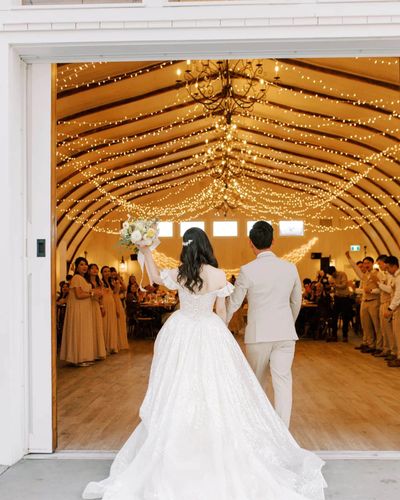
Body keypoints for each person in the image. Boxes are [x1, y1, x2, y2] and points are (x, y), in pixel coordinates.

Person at [82, 227, 325, 500]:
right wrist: (220, 336)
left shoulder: (180, 273)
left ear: (185, 247)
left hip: (182, 331)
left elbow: (154, 277)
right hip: (210, 329)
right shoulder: (218, 275)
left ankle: (180, 442)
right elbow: (221, 311)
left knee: (180, 386)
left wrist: (146, 250)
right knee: (216, 388)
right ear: (207, 246)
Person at [226, 220, 302, 428]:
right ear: (273, 241)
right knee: (283, 383)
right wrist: (289, 322)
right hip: (285, 333)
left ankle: (257, 428)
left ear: (250, 243)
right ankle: (283, 431)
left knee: (256, 383)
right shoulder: (290, 268)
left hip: (258, 334)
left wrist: (221, 324)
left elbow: (235, 303)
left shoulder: (247, 270)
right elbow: (296, 301)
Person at [60, 257, 101, 367]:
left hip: (85, 308)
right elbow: (79, 295)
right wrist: (92, 293)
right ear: (77, 267)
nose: (84, 267)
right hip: (78, 308)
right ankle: (78, 357)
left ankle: (84, 356)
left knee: (84, 332)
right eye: (81, 264)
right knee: (80, 332)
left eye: (85, 264)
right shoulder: (76, 278)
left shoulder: (84, 279)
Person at [346, 252, 381, 354]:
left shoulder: (378, 274)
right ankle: (370, 344)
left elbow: (381, 289)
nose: (366, 265)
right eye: (364, 263)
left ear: (372, 263)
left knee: (376, 326)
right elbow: (356, 269)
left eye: (368, 263)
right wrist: (349, 258)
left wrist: (371, 291)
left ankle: (379, 346)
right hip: (364, 302)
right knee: (366, 325)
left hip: (374, 301)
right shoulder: (365, 275)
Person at [376, 255, 396, 360]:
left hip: (389, 303)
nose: (379, 266)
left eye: (380, 264)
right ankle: (386, 349)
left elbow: (390, 290)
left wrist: (378, 284)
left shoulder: (392, 276)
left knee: (389, 330)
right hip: (383, 302)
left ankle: (393, 351)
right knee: (383, 329)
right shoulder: (385, 275)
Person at [88, 264, 107, 361]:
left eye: (96, 269)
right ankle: (90, 352)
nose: (95, 270)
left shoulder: (99, 282)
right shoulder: (86, 281)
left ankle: (98, 352)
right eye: (92, 268)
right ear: (89, 270)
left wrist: (102, 306)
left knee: (97, 327)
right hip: (87, 305)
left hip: (96, 304)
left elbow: (101, 296)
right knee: (90, 328)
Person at [328, 266, 352, 342]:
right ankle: (334, 335)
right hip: (337, 298)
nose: (332, 276)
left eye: (333, 274)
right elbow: (333, 288)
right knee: (334, 317)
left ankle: (345, 336)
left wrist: (335, 285)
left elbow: (344, 285)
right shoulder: (331, 278)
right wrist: (331, 289)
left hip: (345, 298)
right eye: (331, 275)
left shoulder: (342, 274)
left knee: (345, 317)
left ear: (335, 271)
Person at [384, 256, 400, 368]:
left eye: (388, 268)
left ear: (394, 266)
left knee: (398, 333)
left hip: (398, 308)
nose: (387, 270)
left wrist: (390, 309)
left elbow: (398, 295)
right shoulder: (395, 277)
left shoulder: (399, 277)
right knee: (396, 333)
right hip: (396, 308)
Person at [101, 266, 119, 354]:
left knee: (112, 324)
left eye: (108, 271)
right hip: (105, 303)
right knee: (105, 324)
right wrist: (101, 306)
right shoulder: (100, 282)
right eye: (105, 271)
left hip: (111, 304)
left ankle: (112, 346)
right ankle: (105, 346)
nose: (107, 273)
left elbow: (115, 293)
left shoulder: (111, 282)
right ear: (102, 273)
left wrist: (116, 284)